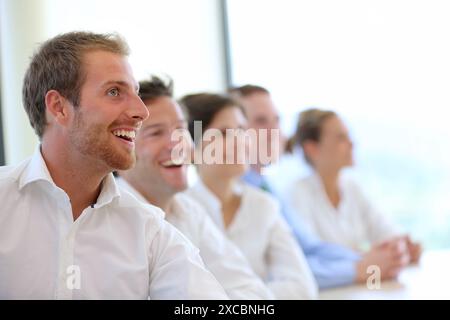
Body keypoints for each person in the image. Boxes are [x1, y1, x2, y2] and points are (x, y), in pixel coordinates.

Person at [0, 31, 228, 299]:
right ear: (59, 107)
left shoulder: (148, 230)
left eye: (136, 93)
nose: (141, 111)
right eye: (114, 92)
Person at [230, 85, 412, 288]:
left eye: (277, 121)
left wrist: (373, 258)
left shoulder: (267, 186)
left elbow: (311, 247)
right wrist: (359, 267)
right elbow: (281, 268)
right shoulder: (244, 193)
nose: (276, 132)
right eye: (261, 122)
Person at [116, 76, 274, 299]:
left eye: (181, 130)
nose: (178, 143)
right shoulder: (112, 221)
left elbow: (251, 290)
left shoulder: (188, 211)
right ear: (122, 147)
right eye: (155, 133)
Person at [181, 93, 318, 299]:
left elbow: (302, 288)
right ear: (193, 141)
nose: (240, 141)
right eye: (224, 133)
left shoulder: (264, 206)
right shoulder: (179, 210)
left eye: (242, 130)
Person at [285, 108, 422, 259]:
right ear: (312, 148)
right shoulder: (297, 195)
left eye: (348, 136)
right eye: (341, 138)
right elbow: (312, 255)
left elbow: (385, 230)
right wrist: (368, 256)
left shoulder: (353, 188)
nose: (351, 143)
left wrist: (403, 246)